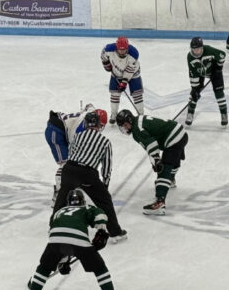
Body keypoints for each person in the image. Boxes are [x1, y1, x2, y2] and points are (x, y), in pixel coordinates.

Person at [25, 189, 122, 290]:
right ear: (82, 201)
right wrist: (102, 231)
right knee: (100, 269)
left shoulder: (59, 211)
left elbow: (60, 236)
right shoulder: (86, 208)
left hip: (55, 241)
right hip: (79, 240)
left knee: (43, 268)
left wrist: (62, 260)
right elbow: (100, 215)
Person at [51, 111, 127, 244]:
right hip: (87, 173)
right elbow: (107, 166)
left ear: (86, 124)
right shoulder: (105, 141)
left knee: (62, 198)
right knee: (105, 201)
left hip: (69, 169)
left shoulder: (78, 136)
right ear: (99, 125)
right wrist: (105, 185)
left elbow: (71, 153)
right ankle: (115, 232)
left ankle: (54, 226)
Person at [116, 110, 188, 216]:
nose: (125, 128)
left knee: (164, 168)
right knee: (174, 161)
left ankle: (159, 203)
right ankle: (170, 179)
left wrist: (156, 160)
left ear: (130, 121)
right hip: (181, 134)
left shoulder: (137, 130)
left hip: (173, 138)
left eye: (125, 125)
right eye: (122, 126)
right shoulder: (139, 120)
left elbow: (151, 144)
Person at [45, 105, 107, 204]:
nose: (99, 128)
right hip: (56, 131)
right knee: (66, 164)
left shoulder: (90, 115)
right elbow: (74, 147)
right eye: (99, 125)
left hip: (59, 127)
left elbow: (89, 106)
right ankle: (59, 193)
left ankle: (66, 187)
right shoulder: (80, 130)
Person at [183, 36, 228, 129]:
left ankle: (224, 114)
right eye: (194, 49)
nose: (196, 51)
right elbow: (192, 73)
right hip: (200, 73)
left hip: (214, 72)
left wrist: (219, 68)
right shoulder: (190, 57)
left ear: (202, 47)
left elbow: (222, 55)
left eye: (198, 49)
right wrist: (195, 88)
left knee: (219, 92)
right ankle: (190, 114)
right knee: (194, 94)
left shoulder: (209, 50)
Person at [101, 36, 143, 123]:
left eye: (124, 50)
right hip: (116, 73)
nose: (122, 51)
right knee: (115, 94)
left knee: (137, 95)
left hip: (133, 74)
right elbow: (103, 55)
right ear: (116, 47)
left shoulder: (133, 54)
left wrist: (124, 82)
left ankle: (141, 115)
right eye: (120, 49)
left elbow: (129, 71)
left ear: (127, 48)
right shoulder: (109, 49)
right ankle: (114, 114)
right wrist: (106, 64)